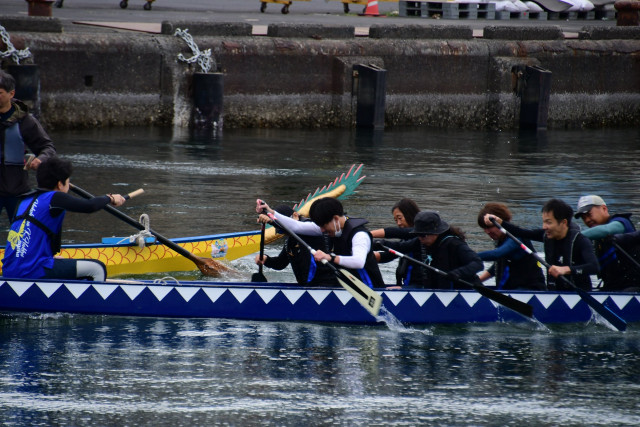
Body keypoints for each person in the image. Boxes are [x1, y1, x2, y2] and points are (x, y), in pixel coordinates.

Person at [1, 157, 127, 281]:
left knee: (64, 264)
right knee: (97, 268)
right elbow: (90, 206)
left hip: (9, 269)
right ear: (60, 184)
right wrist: (110, 198)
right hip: (31, 270)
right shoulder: (54, 197)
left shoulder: (24, 200)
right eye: (67, 181)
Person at [256, 197, 385, 288]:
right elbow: (296, 226)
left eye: (323, 226)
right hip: (350, 288)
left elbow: (358, 262)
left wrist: (330, 257)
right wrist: (270, 212)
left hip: (371, 288)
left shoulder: (359, 235)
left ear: (335, 218)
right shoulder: (328, 226)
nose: (321, 231)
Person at [484, 198, 599, 292]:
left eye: (548, 222)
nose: (544, 227)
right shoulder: (546, 236)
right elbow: (521, 232)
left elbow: (594, 267)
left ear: (563, 222)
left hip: (578, 293)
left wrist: (566, 270)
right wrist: (499, 222)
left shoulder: (581, 241)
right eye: (544, 222)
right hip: (554, 293)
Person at [0, 70, 56, 223]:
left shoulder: (25, 121)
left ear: (11, 94)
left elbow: (48, 147)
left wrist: (41, 159)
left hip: (17, 190)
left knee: (21, 231)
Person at [376, 211, 484, 289]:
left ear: (436, 233)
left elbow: (478, 263)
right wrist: (378, 243)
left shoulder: (454, 244)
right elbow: (400, 247)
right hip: (437, 291)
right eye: (418, 235)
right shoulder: (422, 241)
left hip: (463, 292)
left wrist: (458, 273)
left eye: (423, 235)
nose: (420, 238)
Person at [255, 204, 338, 287]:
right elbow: (280, 263)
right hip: (307, 286)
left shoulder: (311, 228)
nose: (285, 233)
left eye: (282, 229)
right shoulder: (291, 239)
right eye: (281, 231)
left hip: (327, 285)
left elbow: (296, 227)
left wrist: (272, 221)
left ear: (295, 215)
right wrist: (266, 259)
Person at [574, 195, 640, 291]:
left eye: (589, 214)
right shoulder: (595, 239)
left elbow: (606, 230)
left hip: (633, 286)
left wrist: (572, 237)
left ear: (604, 209)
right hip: (613, 286)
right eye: (583, 218)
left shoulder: (621, 223)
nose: (587, 220)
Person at [476, 203, 546, 291]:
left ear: (502, 222)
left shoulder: (515, 237)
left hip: (530, 290)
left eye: (489, 227)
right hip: (513, 289)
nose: (487, 231)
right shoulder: (501, 239)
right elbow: (496, 267)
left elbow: (496, 254)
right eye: (484, 228)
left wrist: (469, 256)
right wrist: (477, 282)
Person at [371, 198, 421, 286]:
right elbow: (387, 256)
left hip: (419, 287)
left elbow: (396, 233)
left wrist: (366, 234)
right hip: (406, 285)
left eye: (400, 218)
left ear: (410, 214)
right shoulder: (405, 240)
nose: (398, 223)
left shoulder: (421, 236)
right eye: (396, 220)